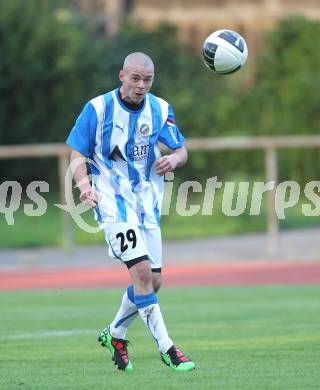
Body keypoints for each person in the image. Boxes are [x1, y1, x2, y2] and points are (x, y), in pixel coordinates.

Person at [66, 52, 195, 372]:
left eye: (147, 80)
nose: (141, 85)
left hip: (147, 205)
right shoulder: (98, 109)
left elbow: (181, 149)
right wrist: (84, 185)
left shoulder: (161, 109)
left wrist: (174, 160)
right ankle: (168, 348)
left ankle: (115, 333)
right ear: (121, 76)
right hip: (112, 204)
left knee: (154, 280)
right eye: (135, 78)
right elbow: (76, 153)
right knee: (140, 274)